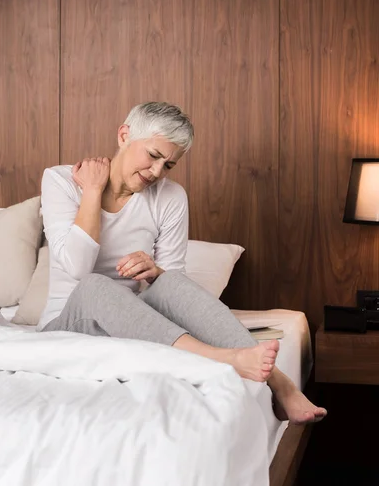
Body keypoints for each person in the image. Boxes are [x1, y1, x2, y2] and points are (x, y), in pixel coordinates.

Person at [39, 101, 326, 425]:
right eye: (153, 156)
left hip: (135, 326)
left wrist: (155, 271)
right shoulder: (61, 180)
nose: (157, 172)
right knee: (94, 284)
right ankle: (225, 358)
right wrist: (92, 190)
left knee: (172, 282)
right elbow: (77, 268)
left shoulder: (171, 197)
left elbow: (175, 290)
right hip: (68, 327)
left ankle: (280, 384)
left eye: (169, 165)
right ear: (124, 135)